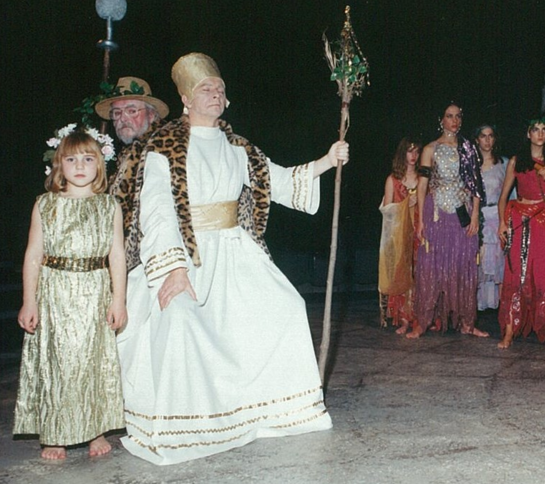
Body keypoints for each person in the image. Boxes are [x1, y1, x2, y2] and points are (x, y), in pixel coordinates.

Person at [115, 53, 347, 465]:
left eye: (220, 89)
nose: (215, 95)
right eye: (206, 89)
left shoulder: (238, 147)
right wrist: (173, 268)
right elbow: (156, 210)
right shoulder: (162, 147)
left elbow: (277, 180)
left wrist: (328, 161)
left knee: (289, 308)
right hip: (188, 254)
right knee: (179, 319)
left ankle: (273, 412)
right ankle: (189, 424)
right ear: (185, 98)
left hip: (234, 249)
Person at [14, 128, 126, 459]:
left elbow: (116, 255)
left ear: (99, 166)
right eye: (71, 159)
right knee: (57, 362)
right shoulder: (45, 204)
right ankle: (54, 433)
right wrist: (28, 300)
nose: (80, 166)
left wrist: (118, 299)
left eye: (88, 159)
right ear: (59, 165)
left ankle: (96, 430)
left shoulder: (109, 206)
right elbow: (33, 254)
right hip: (54, 293)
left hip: (94, 292)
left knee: (94, 362)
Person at [406, 102, 488, 339]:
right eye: (450, 116)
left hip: (462, 212)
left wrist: (475, 215)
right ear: (441, 120)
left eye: (458, 116)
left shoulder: (468, 148)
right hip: (437, 213)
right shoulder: (431, 149)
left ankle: (467, 323)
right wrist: (421, 220)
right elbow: (422, 185)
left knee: (463, 266)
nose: (454, 121)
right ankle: (423, 321)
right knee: (432, 265)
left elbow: (475, 186)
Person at [497, 118, 545, 348]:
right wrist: (501, 224)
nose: (540, 134)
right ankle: (509, 330)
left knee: (542, 276)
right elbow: (503, 196)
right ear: (528, 133)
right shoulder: (517, 161)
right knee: (516, 274)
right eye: (535, 130)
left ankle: (544, 330)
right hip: (519, 220)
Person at [97, 77, 169, 272]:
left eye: (132, 110)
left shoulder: (163, 147)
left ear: (152, 115)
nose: (123, 119)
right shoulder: (126, 154)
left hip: (156, 260)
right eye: (117, 113)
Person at [378, 137, 421, 334]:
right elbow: (388, 211)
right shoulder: (392, 180)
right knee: (403, 275)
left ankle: (420, 318)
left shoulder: (423, 178)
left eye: (417, 151)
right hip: (400, 234)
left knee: (420, 274)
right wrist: (405, 204)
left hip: (420, 232)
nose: (413, 156)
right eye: (409, 151)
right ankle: (404, 319)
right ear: (402, 153)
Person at [474, 124, 509, 311]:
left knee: (499, 262)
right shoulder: (471, 165)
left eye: (491, 136)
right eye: (483, 136)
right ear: (477, 139)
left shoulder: (503, 164)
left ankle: (503, 309)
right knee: (479, 260)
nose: (487, 140)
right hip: (478, 217)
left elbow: (511, 194)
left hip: (497, 215)